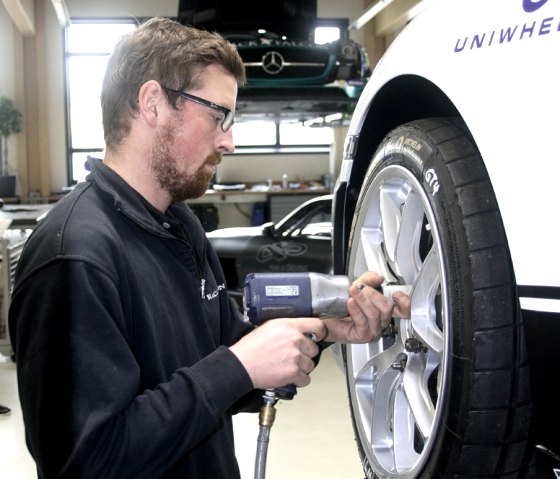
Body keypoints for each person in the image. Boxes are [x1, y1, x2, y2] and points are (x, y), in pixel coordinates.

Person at [9, 17, 405, 479]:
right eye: (218, 115)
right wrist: (238, 365)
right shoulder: (73, 257)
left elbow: (223, 358)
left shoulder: (181, 228)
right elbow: (87, 462)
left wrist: (324, 329)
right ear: (153, 103)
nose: (229, 141)